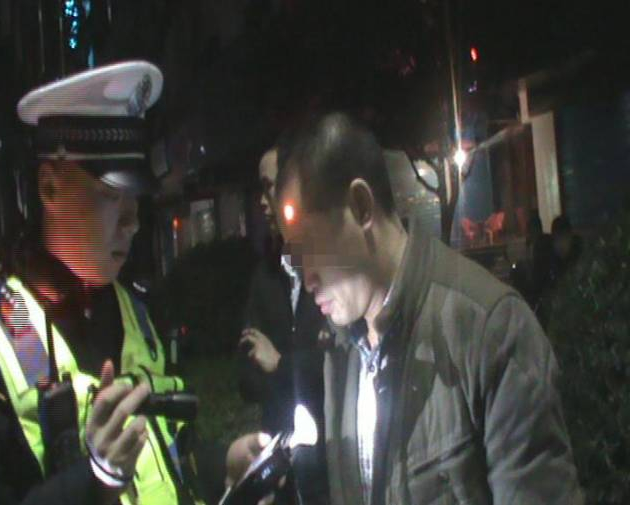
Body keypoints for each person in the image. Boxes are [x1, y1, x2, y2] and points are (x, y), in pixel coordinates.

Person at [227, 112, 583, 505]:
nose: (304, 276)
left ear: (361, 206)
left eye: (309, 246)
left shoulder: (489, 330)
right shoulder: (342, 343)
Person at [0, 62, 215, 505]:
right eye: (111, 196)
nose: (132, 222)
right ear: (49, 188)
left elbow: (169, 460)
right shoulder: (2, 342)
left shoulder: (138, 312)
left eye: (134, 198)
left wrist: (222, 465)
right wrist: (93, 481)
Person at [238, 143, 329, 504]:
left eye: (269, 187)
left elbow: (338, 367)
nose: (262, 202)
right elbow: (246, 377)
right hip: (281, 470)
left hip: (330, 468)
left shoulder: (332, 274)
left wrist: (280, 364)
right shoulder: (265, 276)